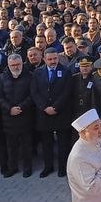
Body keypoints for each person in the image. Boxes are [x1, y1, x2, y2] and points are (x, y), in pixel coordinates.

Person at [31, 48, 73, 178]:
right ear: (44, 59)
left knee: (63, 144)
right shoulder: (38, 72)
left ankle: (62, 168)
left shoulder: (66, 71)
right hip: (44, 114)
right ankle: (48, 167)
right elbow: (34, 92)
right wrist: (44, 107)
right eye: (50, 59)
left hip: (61, 112)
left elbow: (67, 92)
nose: (53, 61)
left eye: (55, 58)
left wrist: (55, 107)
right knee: (46, 143)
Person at [0, 54, 35, 177]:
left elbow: (33, 95)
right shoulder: (1, 78)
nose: (16, 67)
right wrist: (9, 109)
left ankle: (27, 168)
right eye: (13, 65)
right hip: (8, 118)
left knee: (27, 145)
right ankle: (13, 167)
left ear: (22, 63)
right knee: (11, 146)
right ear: (8, 65)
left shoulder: (30, 77)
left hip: (25, 116)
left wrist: (21, 107)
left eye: (18, 64)